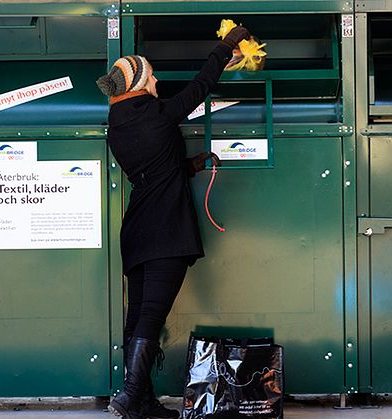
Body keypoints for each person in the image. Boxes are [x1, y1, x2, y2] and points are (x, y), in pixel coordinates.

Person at [96, 25, 251, 419]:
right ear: (140, 82)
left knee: (138, 318)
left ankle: (142, 400)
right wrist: (226, 45)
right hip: (166, 234)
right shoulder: (158, 113)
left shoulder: (118, 123)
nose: (158, 80)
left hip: (137, 234)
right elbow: (201, 86)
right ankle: (129, 397)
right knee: (150, 318)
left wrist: (191, 165)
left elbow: (153, 172)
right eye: (152, 75)